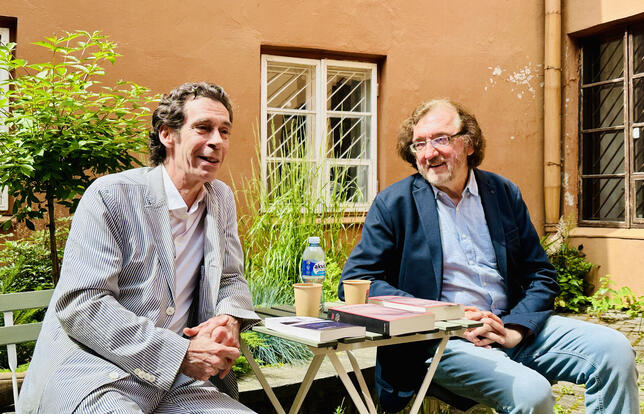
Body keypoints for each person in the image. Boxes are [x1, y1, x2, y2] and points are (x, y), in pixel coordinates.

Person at [339, 99, 639, 413]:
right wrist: (445, 314)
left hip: (510, 327)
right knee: (532, 392)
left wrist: (515, 329)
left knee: (614, 350)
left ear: (469, 143)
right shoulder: (394, 203)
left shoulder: (503, 193)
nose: (429, 153)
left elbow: (541, 275)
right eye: (420, 144)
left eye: (441, 139)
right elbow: (357, 281)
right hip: (442, 340)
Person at [18, 82, 260, 413]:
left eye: (224, 131)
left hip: (177, 384)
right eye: (204, 128)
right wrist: (179, 354)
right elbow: (83, 304)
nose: (217, 140)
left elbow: (230, 278)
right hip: (97, 375)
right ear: (167, 134)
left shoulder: (221, 198)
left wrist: (229, 318)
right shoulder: (110, 195)